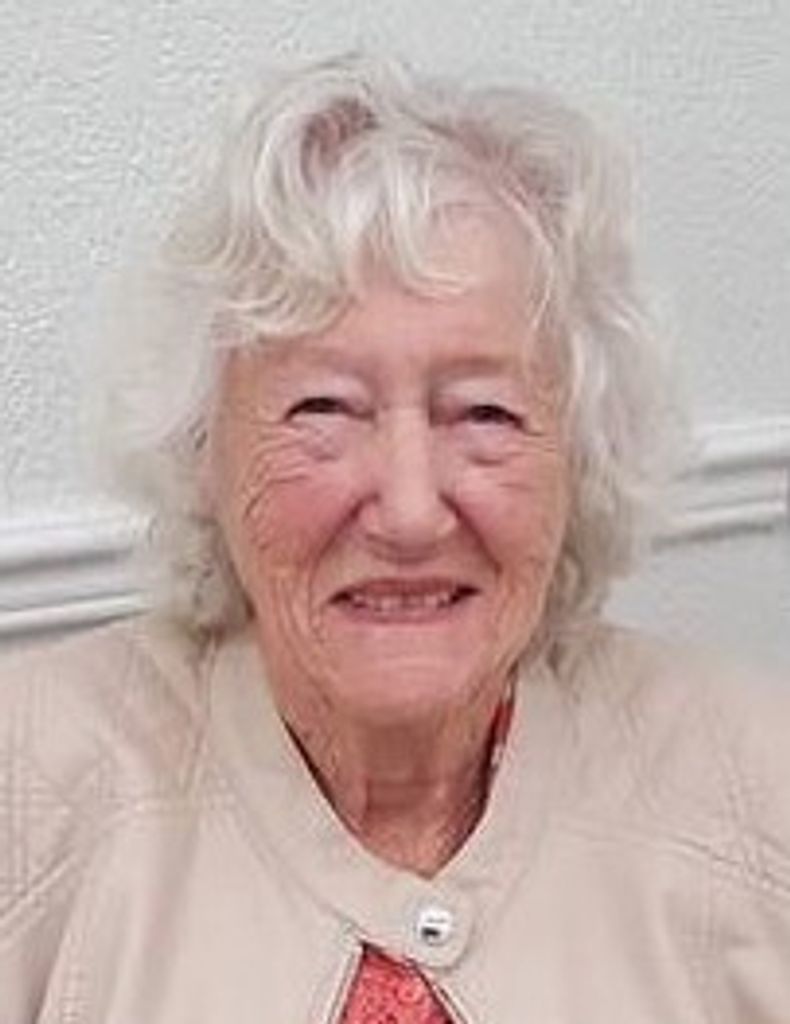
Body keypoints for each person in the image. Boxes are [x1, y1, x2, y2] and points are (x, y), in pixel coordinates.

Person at [2, 52, 788, 1023]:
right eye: (324, 409)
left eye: (485, 413)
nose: (411, 512)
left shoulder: (760, 786)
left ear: (577, 456)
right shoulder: (27, 784)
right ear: (204, 449)